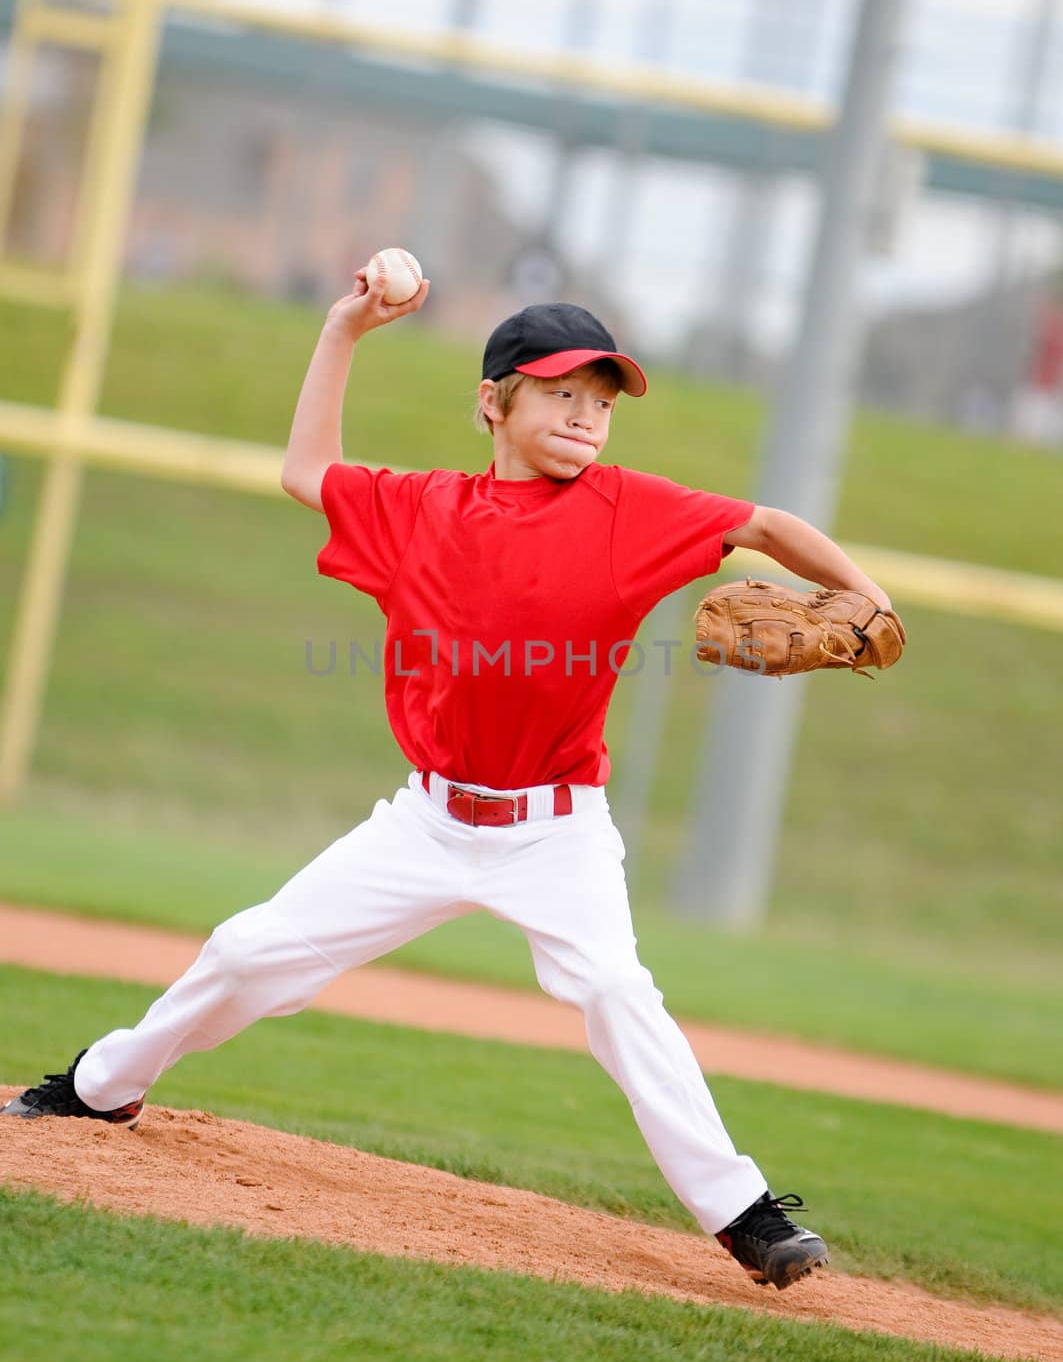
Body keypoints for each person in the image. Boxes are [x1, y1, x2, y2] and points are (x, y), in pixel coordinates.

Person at [3, 264, 893, 1291]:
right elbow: (306, 470)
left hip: (555, 828)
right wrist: (343, 330)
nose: (586, 415)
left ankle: (742, 1212)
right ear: (492, 401)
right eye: (561, 392)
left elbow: (765, 524)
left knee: (612, 986)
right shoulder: (420, 510)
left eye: (602, 401)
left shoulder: (630, 511)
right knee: (250, 950)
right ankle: (102, 1085)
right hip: (423, 823)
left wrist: (865, 596)